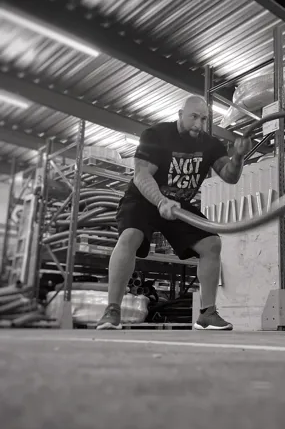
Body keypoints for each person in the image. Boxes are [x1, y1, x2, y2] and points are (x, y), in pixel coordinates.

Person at [96, 95, 252, 331]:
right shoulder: (157, 135)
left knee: (211, 243)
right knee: (130, 236)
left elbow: (230, 176)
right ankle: (112, 311)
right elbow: (141, 175)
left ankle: (207, 314)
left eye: (203, 119)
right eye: (193, 117)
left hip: (177, 204)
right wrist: (160, 200)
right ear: (180, 115)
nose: (198, 124)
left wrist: (239, 156)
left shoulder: (210, 145)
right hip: (145, 197)